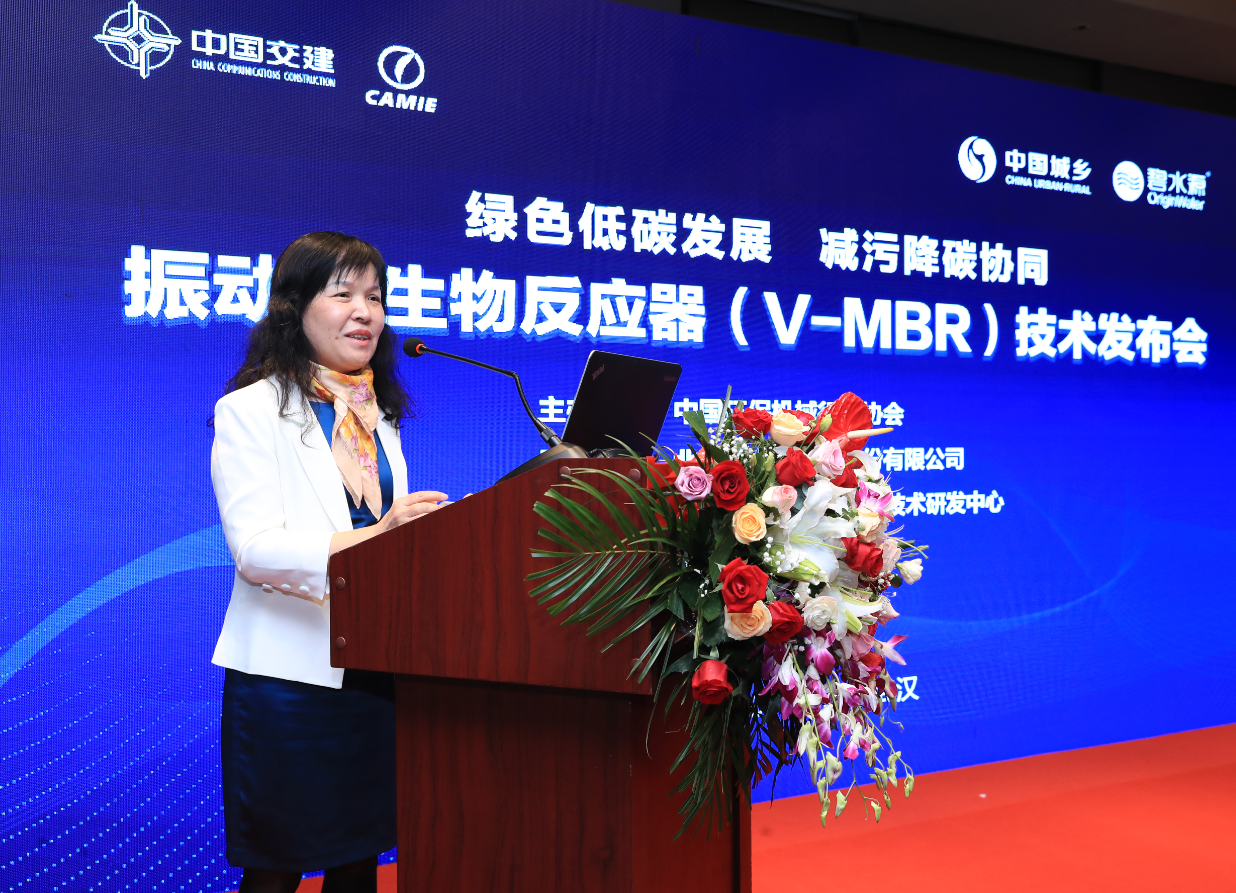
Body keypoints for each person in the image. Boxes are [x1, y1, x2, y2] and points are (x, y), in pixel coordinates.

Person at [210, 232, 446, 893]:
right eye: (343, 294)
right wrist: (380, 538)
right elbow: (256, 550)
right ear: (295, 308)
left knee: (359, 863)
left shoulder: (376, 415)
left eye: (375, 296)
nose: (365, 312)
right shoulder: (250, 410)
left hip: (373, 674)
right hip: (287, 684)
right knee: (275, 873)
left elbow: (383, 534)